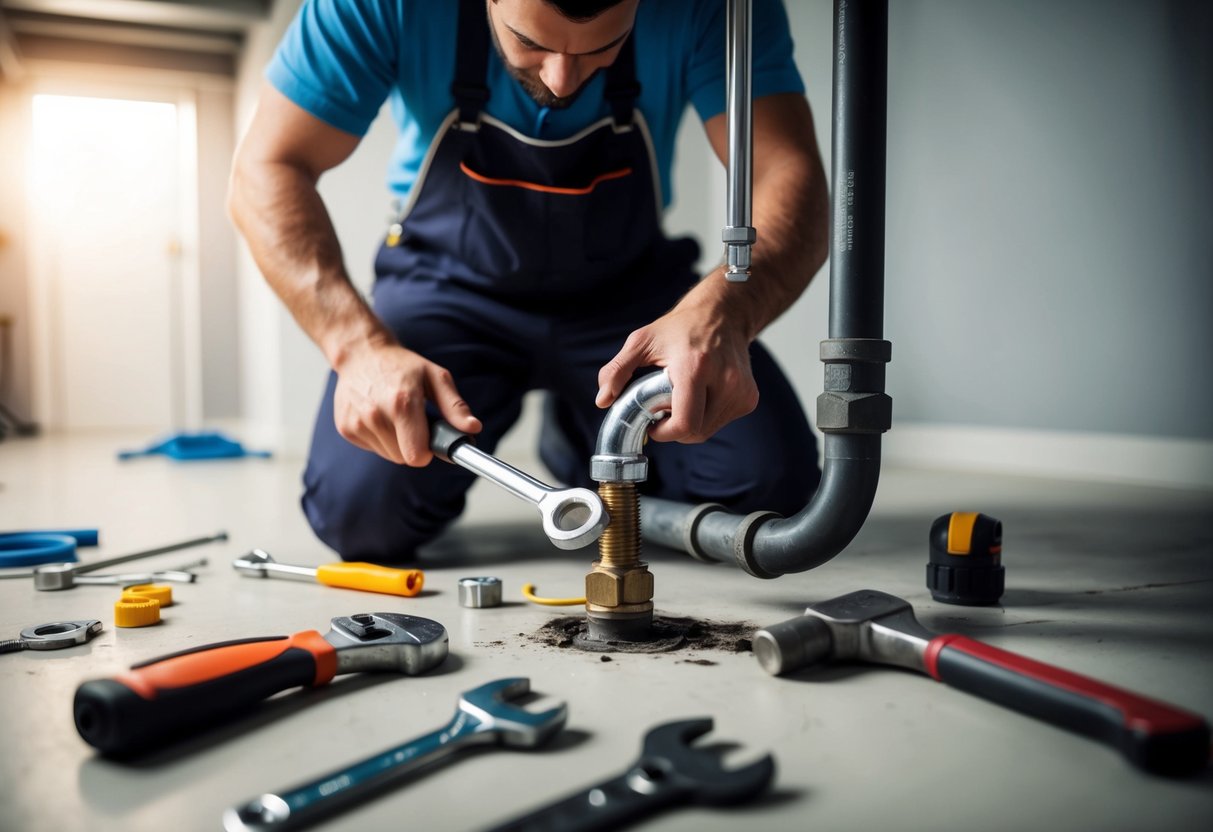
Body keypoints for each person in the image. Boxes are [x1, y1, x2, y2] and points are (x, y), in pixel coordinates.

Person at [228, 0, 829, 563]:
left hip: (630, 298)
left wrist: (724, 311)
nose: (565, 80)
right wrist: (358, 348)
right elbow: (266, 167)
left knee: (767, 488)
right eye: (529, 41)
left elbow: (787, 173)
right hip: (446, 292)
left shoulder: (715, 8)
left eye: (604, 47)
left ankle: (581, 432)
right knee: (362, 516)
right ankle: (586, 420)